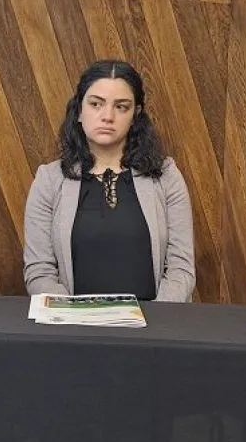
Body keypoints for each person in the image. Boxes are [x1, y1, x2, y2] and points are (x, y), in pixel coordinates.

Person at [23, 60, 195, 301]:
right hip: (75, 330)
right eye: (96, 104)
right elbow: (39, 272)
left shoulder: (166, 176)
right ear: (80, 111)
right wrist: (74, 320)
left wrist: (157, 323)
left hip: (154, 329)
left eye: (121, 107)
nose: (107, 116)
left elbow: (181, 269)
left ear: (135, 115)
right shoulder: (49, 180)